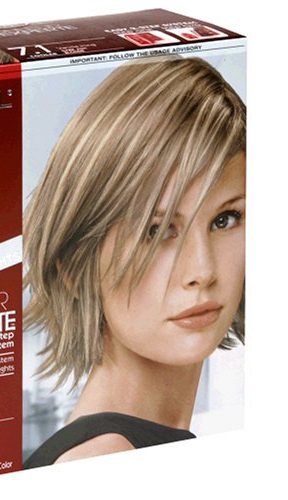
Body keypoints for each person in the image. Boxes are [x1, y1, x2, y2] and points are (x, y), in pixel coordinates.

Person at [23, 56, 246, 468]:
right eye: (155, 231)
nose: (202, 271)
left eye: (225, 219)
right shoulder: (102, 460)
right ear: (74, 267)